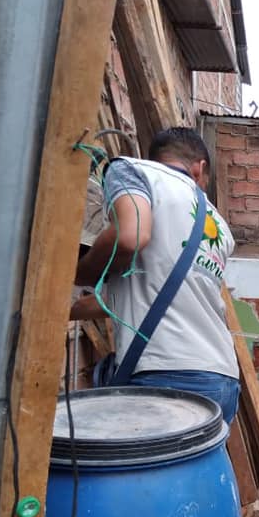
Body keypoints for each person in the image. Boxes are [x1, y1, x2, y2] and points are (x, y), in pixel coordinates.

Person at [71, 127, 240, 423]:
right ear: (199, 168)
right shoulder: (218, 225)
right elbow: (143, 295)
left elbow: (130, 236)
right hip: (221, 377)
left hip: (166, 374)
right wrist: (70, 311)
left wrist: (80, 273)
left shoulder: (133, 172)